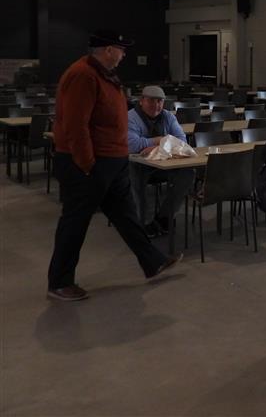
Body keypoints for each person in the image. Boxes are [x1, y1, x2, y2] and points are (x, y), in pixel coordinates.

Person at [47, 30, 181, 302]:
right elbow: (75, 125)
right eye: (121, 49)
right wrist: (86, 164)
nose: (124, 54)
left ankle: (152, 261)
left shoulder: (104, 75)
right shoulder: (83, 75)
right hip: (91, 163)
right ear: (108, 50)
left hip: (112, 161)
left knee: (126, 215)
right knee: (75, 221)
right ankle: (59, 282)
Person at [128, 85, 195, 238]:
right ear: (141, 101)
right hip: (137, 165)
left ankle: (164, 217)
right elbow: (131, 145)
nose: (156, 105)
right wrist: (160, 140)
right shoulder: (131, 117)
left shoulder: (168, 117)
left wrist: (155, 146)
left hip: (163, 165)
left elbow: (182, 141)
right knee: (134, 175)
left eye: (159, 101)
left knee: (187, 173)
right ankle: (142, 223)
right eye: (151, 100)